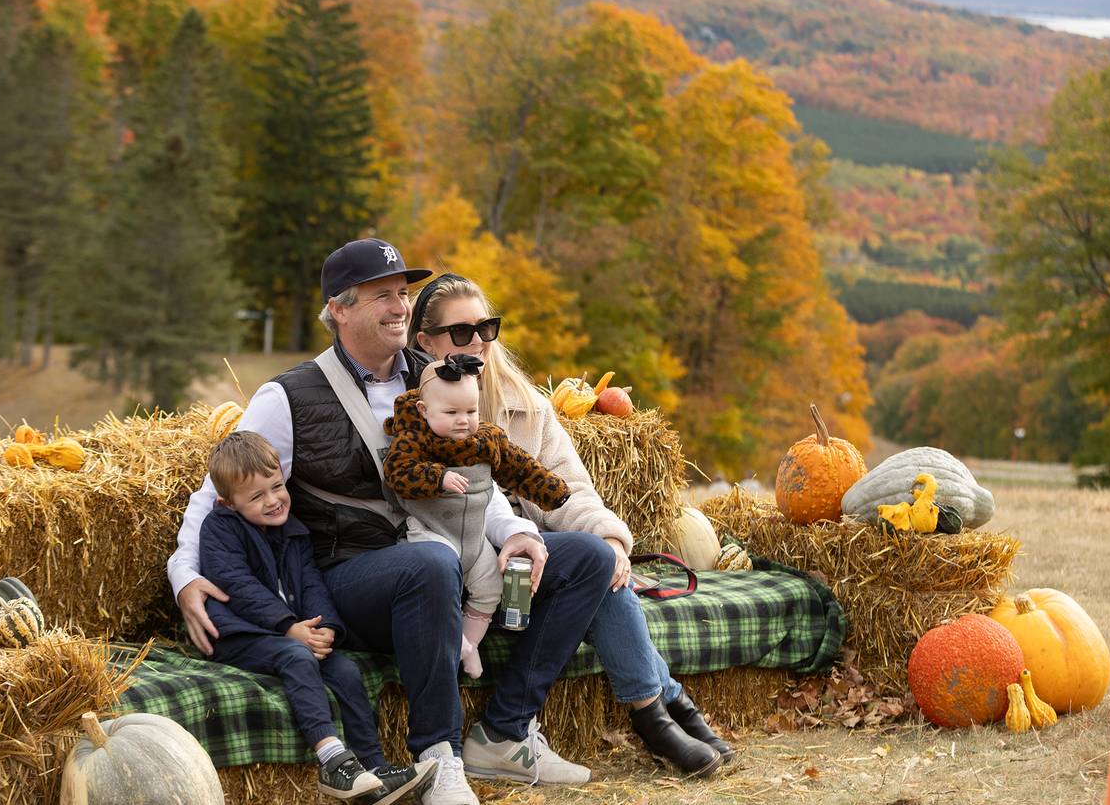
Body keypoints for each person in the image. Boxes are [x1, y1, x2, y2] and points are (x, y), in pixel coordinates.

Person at [168, 238, 615, 805]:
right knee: (430, 563)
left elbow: (474, 473)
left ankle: (504, 730)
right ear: (340, 308)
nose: (401, 307)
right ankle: (439, 755)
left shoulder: (436, 376)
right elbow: (217, 494)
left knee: (587, 558)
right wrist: (184, 574)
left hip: (450, 554)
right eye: (383, 296)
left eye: (403, 294)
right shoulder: (287, 396)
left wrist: (517, 534)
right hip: (350, 578)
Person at [409, 273, 734, 778]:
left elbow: (569, 490)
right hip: (465, 574)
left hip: (534, 570)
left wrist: (609, 537)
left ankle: (657, 711)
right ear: (424, 341)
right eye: (460, 333)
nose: (477, 342)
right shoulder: (412, 409)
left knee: (601, 562)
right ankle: (663, 708)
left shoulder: (526, 406)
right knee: (591, 564)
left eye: (486, 328)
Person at [199, 430, 436, 803]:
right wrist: (287, 627)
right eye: (257, 496)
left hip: (289, 630)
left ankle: (372, 767)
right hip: (238, 634)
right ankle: (332, 760)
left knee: (344, 670)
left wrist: (323, 627)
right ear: (228, 503)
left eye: (277, 487)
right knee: (295, 657)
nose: (274, 500)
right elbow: (238, 586)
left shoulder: (294, 531)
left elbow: (311, 584)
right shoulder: (219, 529)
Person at [382, 353, 572, 678]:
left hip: (473, 537)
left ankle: (467, 647)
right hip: (433, 532)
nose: (463, 420)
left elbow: (519, 467)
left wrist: (552, 492)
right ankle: (457, 645)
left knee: (491, 589)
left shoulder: (486, 439)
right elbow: (398, 473)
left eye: (471, 411)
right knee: (439, 583)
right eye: (452, 412)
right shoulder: (413, 440)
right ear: (423, 411)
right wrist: (437, 477)